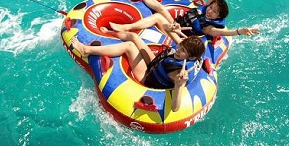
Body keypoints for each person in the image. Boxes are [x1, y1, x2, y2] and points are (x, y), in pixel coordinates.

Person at [71, 32, 205, 112]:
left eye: (182, 51)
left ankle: (86, 50)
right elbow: (180, 44)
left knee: (129, 46)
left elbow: (175, 108)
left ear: (191, 57)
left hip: (147, 79)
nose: (178, 50)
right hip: (155, 64)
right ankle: (107, 33)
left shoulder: (177, 73)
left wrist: (179, 85)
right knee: (134, 36)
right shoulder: (187, 54)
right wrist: (172, 31)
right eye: (180, 46)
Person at [109, 0, 259, 39]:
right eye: (211, 8)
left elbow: (226, 33)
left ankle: (125, 27)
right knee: (161, 8)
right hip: (176, 24)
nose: (210, 11)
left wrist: (240, 31)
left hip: (179, 36)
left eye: (214, 12)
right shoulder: (205, 8)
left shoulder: (209, 28)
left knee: (157, 17)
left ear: (218, 17)